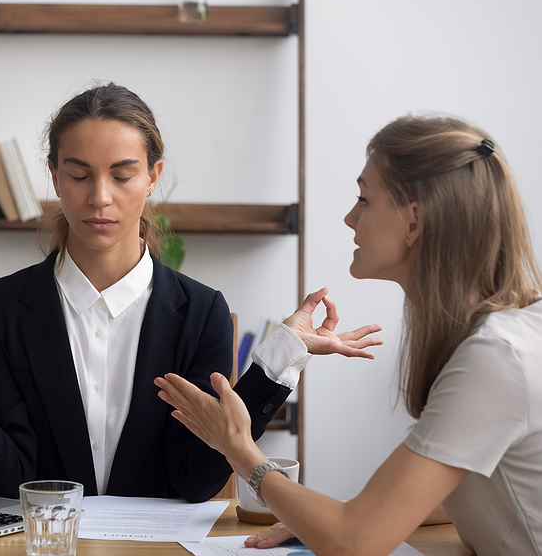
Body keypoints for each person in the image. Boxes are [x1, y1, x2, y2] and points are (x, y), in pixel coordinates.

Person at [0, 82, 381, 502]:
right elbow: (9, 475)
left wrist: (280, 359)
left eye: (122, 175)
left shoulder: (201, 312)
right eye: (78, 174)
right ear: (53, 177)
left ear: (153, 176)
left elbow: (195, 478)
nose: (99, 197)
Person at [156, 115, 542, 555]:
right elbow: (444, 497)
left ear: (414, 221)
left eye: (364, 199)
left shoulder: (495, 358)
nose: (348, 217)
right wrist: (319, 518)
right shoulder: (499, 336)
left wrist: (240, 449)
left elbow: (355, 543)